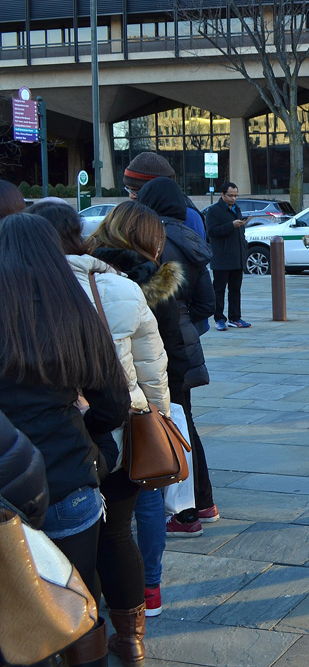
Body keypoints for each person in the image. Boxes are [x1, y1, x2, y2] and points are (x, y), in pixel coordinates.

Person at [28, 199, 170, 660]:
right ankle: (130, 641)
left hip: (59, 433)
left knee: (58, 541)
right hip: (123, 426)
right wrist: (159, 423)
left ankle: (68, 633)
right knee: (116, 533)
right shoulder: (120, 287)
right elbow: (152, 367)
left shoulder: (29, 288)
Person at [0, 213, 132, 667]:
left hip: (5, 489)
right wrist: (81, 424)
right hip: (68, 477)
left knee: (12, 611)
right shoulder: (75, 313)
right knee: (79, 599)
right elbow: (114, 403)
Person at [89, 201, 195, 624]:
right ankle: (148, 590)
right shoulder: (152, 280)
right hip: (136, 406)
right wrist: (163, 415)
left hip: (89, 409)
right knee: (147, 493)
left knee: (103, 516)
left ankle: (94, 598)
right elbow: (159, 357)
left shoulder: (80, 272)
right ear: (154, 240)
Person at [136, 178, 218, 537]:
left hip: (158, 341)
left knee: (166, 422)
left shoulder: (151, 240)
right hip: (186, 342)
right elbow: (207, 304)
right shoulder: (191, 239)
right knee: (185, 420)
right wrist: (186, 320)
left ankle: (185, 513)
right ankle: (204, 502)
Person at [123, 152, 206, 240]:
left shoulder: (189, 217)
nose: (131, 196)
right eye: (128, 189)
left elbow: (196, 251)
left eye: (136, 191)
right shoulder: (137, 213)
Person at [205, 180, 250, 330]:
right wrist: (231, 225)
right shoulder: (214, 211)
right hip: (222, 258)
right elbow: (212, 231)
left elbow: (239, 232)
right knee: (219, 290)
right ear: (222, 194)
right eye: (230, 195)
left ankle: (235, 317)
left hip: (237, 257)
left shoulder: (236, 209)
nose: (233, 198)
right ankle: (219, 319)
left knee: (235, 290)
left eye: (235, 196)